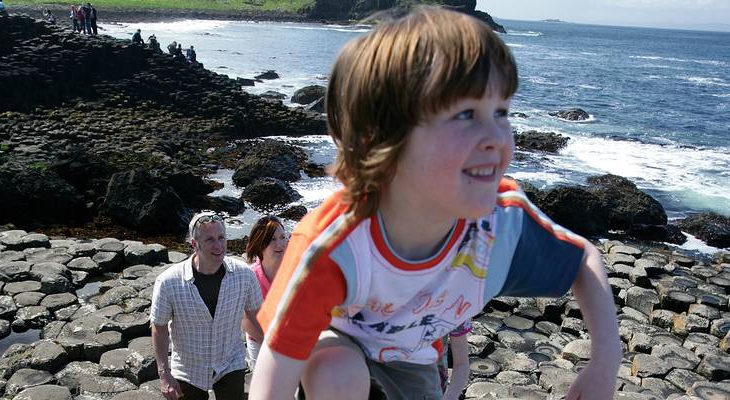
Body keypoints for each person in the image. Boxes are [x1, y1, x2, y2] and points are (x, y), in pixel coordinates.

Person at [248, 6, 620, 400]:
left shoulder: (501, 226)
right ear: (383, 139)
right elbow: (274, 370)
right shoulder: (334, 246)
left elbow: (583, 259)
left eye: (501, 112)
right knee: (339, 375)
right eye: (465, 114)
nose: (497, 136)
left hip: (415, 359)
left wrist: (603, 363)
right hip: (336, 340)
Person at [151, 212, 264, 400]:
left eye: (221, 237)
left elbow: (256, 316)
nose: (218, 246)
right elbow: (159, 327)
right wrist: (164, 374)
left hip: (230, 361)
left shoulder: (244, 275)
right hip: (188, 367)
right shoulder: (168, 282)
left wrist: (275, 349)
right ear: (194, 244)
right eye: (210, 239)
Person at [243, 215, 287, 370]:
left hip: (292, 341)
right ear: (260, 244)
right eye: (272, 239)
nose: (280, 244)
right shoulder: (250, 276)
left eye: (283, 237)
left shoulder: (296, 270)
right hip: (260, 341)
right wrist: (272, 345)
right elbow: (246, 321)